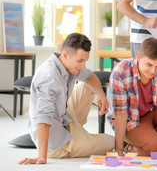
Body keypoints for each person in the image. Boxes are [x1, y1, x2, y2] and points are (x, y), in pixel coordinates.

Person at [18, 33, 114, 165]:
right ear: (65, 55)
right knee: (111, 142)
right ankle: (77, 139)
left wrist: (101, 94)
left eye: (85, 61)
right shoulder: (49, 77)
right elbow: (44, 118)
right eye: (80, 61)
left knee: (86, 86)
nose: (83, 66)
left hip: (63, 119)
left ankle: (78, 132)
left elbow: (89, 75)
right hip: (58, 144)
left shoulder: (69, 64)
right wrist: (41, 156)